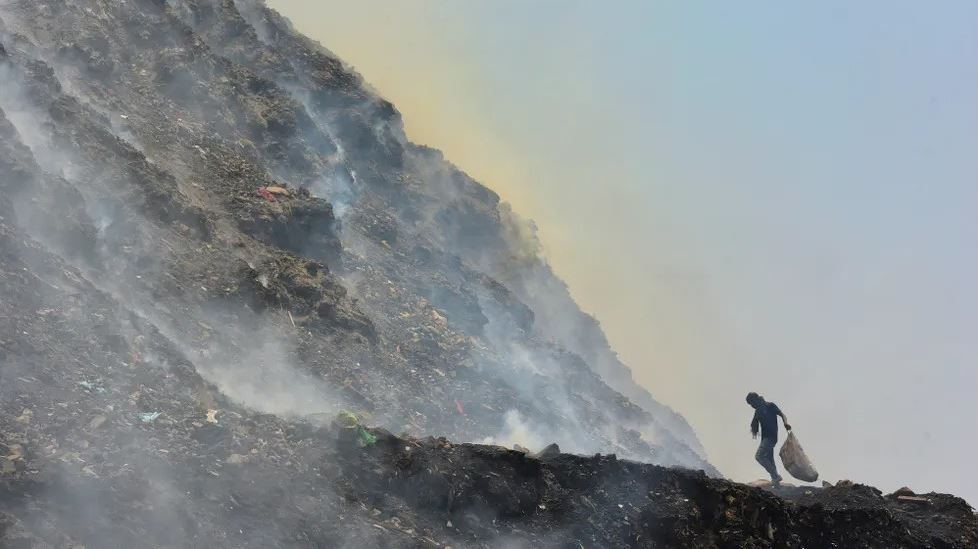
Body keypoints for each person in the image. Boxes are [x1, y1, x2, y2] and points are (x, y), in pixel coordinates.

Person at [746, 392, 791, 485]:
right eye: (750, 404)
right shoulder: (758, 411)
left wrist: (785, 423)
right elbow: (754, 422)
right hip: (765, 438)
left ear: (756, 399)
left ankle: (775, 476)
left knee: (759, 456)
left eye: (752, 403)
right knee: (770, 459)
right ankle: (776, 484)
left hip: (771, 437)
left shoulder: (769, 405)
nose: (752, 406)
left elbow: (782, 414)